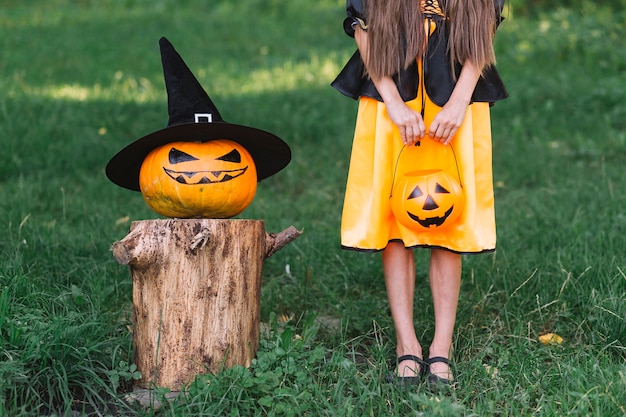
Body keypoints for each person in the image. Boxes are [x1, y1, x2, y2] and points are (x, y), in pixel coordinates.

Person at [331, 0, 508, 387]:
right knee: (394, 216)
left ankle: (441, 347)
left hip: (459, 100)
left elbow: (485, 26)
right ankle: (406, 344)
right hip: (390, 95)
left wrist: (460, 101)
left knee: (448, 213)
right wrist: (393, 102)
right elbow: (362, 27)